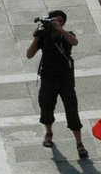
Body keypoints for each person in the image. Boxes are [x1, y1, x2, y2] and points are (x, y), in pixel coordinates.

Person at [26, 11, 88, 159]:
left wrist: (59, 29)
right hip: (48, 78)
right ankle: (48, 133)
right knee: (46, 107)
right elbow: (29, 54)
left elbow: (75, 42)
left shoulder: (66, 34)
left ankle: (79, 143)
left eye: (60, 21)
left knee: (72, 109)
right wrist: (36, 37)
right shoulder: (43, 35)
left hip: (65, 79)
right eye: (54, 20)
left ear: (63, 23)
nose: (57, 23)